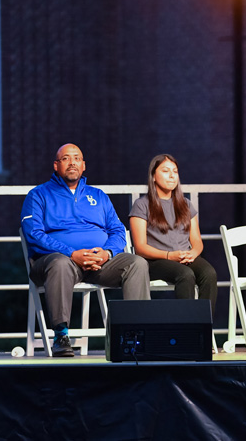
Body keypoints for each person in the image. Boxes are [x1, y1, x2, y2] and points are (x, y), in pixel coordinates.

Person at [21, 143, 151, 357]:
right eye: (66, 158)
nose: (72, 162)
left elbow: (118, 230)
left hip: (99, 262)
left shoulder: (98, 196)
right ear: (56, 165)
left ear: (83, 166)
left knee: (136, 263)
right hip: (56, 262)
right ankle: (61, 335)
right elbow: (34, 234)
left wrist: (106, 253)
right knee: (60, 263)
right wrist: (72, 253)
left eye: (77, 158)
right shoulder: (38, 195)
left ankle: (136, 335)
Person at [129, 154, 218, 320]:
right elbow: (140, 248)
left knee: (209, 274)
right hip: (155, 261)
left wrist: (194, 253)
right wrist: (170, 255)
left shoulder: (185, 204)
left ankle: (203, 330)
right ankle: (186, 330)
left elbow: (196, 240)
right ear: (154, 176)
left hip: (183, 256)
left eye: (175, 171)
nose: (172, 175)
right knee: (185, 275)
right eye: (165, 171)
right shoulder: (142, 205)